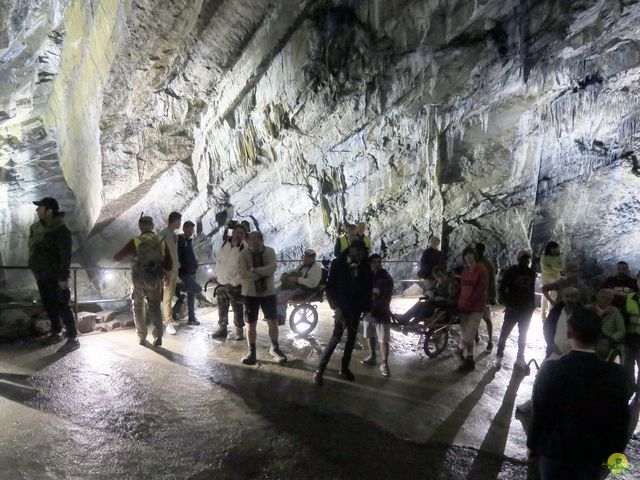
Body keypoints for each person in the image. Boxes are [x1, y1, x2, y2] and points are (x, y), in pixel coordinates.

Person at [527, 309, 632, 480]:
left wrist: (533, 444)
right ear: (599, 337)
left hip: (554, 451)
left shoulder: (552, 370)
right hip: (591, 455)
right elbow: (621, 419)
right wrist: (614, 455)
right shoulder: (617, 375)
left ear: (569, 332)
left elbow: (540, 410)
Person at [313, 240, 372, 385]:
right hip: (342, 307)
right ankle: (320, 369)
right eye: (358, 251)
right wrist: (336, 308)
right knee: (336, 337)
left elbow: (367, 288)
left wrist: (366, 309)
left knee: (352, 338)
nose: (360, 255)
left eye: (362, 252)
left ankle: (345, 368)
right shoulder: (337, 264)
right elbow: (330, 287)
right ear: (351, 249)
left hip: (356, 308)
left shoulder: (364, 265)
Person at [28, 197, 79, 353]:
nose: (37, 210)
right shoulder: (38, 228)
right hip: (42, 274)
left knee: (62, 305)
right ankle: (56, 332)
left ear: (49, 211)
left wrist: (63, 277)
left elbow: (65, 254)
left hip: (56, 275)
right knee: (49, 304)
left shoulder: (60, 229)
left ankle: (73, 338)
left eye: (40, 207)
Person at [114, 215, 172, 346]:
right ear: (152, 226)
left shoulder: (135, 241)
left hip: (139, 279)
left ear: (140, 226)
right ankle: (158, 336)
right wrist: (166, 273)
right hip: (155, 279)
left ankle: (141, 337)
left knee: (138, 307)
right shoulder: (161, 241)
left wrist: (130, 259)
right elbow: (169, 261)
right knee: (155, 307)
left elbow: (118, 256)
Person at [238, 231, 287, 364]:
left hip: (267, 293)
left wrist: (253, 270)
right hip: (250, 293)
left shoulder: (270, 252)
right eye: (250, 239)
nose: (252, 242)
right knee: (250, 324)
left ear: (261, 240)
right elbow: (242, 273)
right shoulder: (244, 254)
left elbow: (272, 268)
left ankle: (275, 348)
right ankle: (251, 352)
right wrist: (261, 273)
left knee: (272, 321)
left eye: (255, 239)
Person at [495, 250, 536, 370]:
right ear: (519, 259)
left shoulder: (531, 273)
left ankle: (520, 357)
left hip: (526, 309)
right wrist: (505, 302)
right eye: (524, 258)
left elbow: (532, 289)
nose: (526, 261)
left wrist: (532, 305)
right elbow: (502, 287)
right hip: (513, 308)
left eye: (527, 259)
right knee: (505, 333)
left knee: (523, 335)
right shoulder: (512, 271)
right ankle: (499, 356)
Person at [211, 224, 247, 340]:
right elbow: (219, 261)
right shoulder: (225, 244)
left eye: (241, 233)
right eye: (237, 232)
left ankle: (239, 329)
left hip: (235, 285)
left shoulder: (244, 248)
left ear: (244, 235)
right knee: (222, 306)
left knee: (237, 307)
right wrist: (216, 275)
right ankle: (222, 328)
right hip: (221, 283)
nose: (239, 235)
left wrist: (233, 283)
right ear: (233, 232)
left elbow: (244, 270)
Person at [360, 254, 394, 376]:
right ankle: (373, 356)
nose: (377, 264)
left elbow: (386, 297)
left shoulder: (386, 278)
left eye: (379, 261)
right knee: (370, 335)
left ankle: (385, 363)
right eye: (374, 262)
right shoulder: (367, 277)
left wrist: (373, 309)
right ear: (370, 264)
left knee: (383, 339)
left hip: (381, 312)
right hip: (369, 311)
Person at [456, 247, 488, 372]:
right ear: (464, 257)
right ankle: (470, 360)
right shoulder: (464, 272)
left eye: (471, 254)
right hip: (463, 307)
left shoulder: (482, 271)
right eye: (466, 254)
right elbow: (462, 289)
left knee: (469, 334)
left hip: (476, 307)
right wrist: (460, 303)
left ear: (474, 256)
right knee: (466, 334)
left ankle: (458, 349)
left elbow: (480, 290)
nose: (468, 257)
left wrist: (468, 303)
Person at [394, 266, 458, 325]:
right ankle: (404, 319)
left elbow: (452, 302)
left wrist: (440, 298)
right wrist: (430, 293)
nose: (440, 278)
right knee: (419, 305)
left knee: (425, 308)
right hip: (436, 304)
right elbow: (432, 291)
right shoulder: (438, 284)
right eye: (438, 277)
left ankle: (412, 323)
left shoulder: (452, 285)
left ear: (445, 274)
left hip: (445, 307)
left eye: (441, 275)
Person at [275, 249, 323, 323]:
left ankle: (281, 317)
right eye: (305, 256)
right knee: (275, 291)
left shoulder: (316, 269)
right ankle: (274, 313)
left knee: (282, 295)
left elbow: (313, 283)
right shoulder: (302, 265)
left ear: (313, 258)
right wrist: (286, 274)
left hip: (304, 289)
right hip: (295, 286)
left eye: (308, 257)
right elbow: (294, 271)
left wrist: (297, 279)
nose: (305, 258)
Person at [174, 221, 202, 325]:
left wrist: (195, 264)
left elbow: (190, 255)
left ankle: (191, 318)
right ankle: (177, 287)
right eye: (189, 229)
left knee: (192, 295)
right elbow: (179, 256)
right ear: (184, 229)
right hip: (184, 272)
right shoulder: (179, 240)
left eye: (192, 229)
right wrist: (182, 269)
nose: (191, 231)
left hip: (192, 271)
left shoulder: (188, 241)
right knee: (197, 289)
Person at [159, 211, 182, 335]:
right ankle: (168, 322)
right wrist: (163, 272)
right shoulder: (163, 234)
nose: (180, 223)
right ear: (174, 221)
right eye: (179, 221)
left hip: (174, 269)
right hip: (168, 270)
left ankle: (170, 318)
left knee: (171, 295)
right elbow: (159, 254)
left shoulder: (173, 235)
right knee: (167, 297)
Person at [593, 289, 625, 361]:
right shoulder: (589, 308)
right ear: (597, 297)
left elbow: (621, 330)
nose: (605, 300)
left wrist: (611, 339)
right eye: (603, 297)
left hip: (607, 341)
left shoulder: (615, 312)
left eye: (609, 298)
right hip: (589, 340)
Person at [475, 242, 495, 352]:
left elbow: (492, 281)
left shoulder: (487, 264)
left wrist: (492, 297)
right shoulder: (479, 263)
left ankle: (490, 341)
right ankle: (477, 337)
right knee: (476, 317)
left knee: (486, 318)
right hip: (477, 295)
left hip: (484, 295)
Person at [623, 273, 640, 394]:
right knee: (627, 368)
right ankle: (629, 392)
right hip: (629, 339)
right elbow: (622, 315)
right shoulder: (629, 297)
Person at [540, 241, 563, 320]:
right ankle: (543, 313)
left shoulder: (559, 256)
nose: (556, 250)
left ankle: (551, 312)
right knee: (544, 296)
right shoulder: (544, 256)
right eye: (555, 248)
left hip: (556, 278)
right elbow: (545, 269)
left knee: (553, 295)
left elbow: (561, 267)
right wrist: (555, 268)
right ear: (551, 248)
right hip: (546, 278)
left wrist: (551, 267)